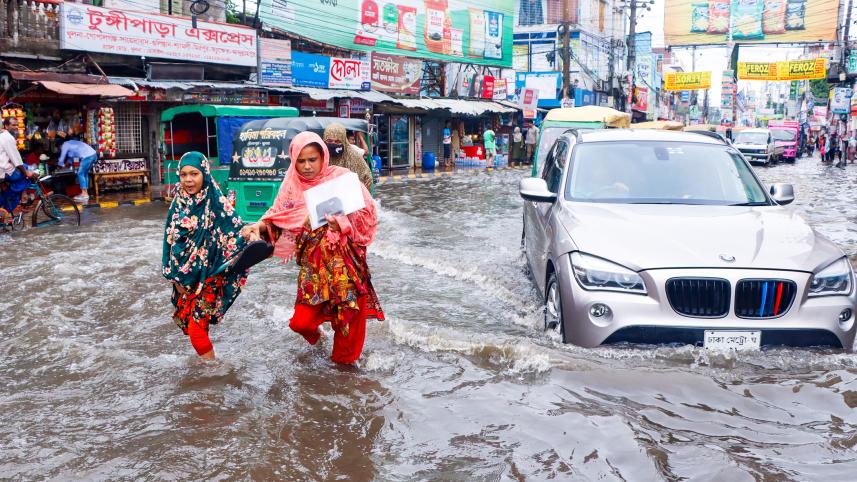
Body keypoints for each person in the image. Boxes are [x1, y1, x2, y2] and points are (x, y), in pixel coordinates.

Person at [241, 132, 384, 365]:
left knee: (347, 330)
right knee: (301, 323)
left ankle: (347, 382)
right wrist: (258, 226)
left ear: (323, 157)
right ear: (293, 160)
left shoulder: (343, 179)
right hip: (313, 270)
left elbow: (367, 215)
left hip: (345, 268)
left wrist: (343, 224)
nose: (307, 166)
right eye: (301, 160)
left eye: (312, 160)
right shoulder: (291, 186)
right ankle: (320, 343)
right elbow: (278, 218)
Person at [162, 152, 268, 359]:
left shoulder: (216, 201)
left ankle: (214, 374)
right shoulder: (177, 204)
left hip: (210, 276)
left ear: (205, 174)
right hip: (185, 277)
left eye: (194, 174)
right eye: (183, 175)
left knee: (195, 330)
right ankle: (210, 372)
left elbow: (236, 230)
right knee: (194, 327)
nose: (188, 180)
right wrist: (174, 278)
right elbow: (169, 241)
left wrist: (252, 234)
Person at [1, 117, 39, 226]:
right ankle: (8, 204)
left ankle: (19, 199)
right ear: (6, 126)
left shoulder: (4, 136)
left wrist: (25, 168)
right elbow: (16, 159)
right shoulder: (8, 138)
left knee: (26, 167)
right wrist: (27, 172)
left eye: (17, 125)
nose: (16, 127)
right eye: (13, 125)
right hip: (4, 170)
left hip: (5, 167)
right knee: (25, 179)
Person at [323, 123, 373, 192]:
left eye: (337, 141)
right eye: (329, 141)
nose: (333, 144)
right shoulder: (319, 156)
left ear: (344, 141)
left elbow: (367, 178)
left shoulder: (353, 156)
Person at [58, 136, 98, 202]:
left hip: (87, 156)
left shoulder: (65, 144)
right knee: (85, 173)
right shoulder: (72, 144)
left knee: (80, 173)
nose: (60, 149)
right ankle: (85, 193)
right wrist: (67, 165)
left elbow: (61, 160)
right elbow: (72, 157)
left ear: (60, 145)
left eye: (59, 148)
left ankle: (84, 194)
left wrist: (60, 165)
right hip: (93, 155)